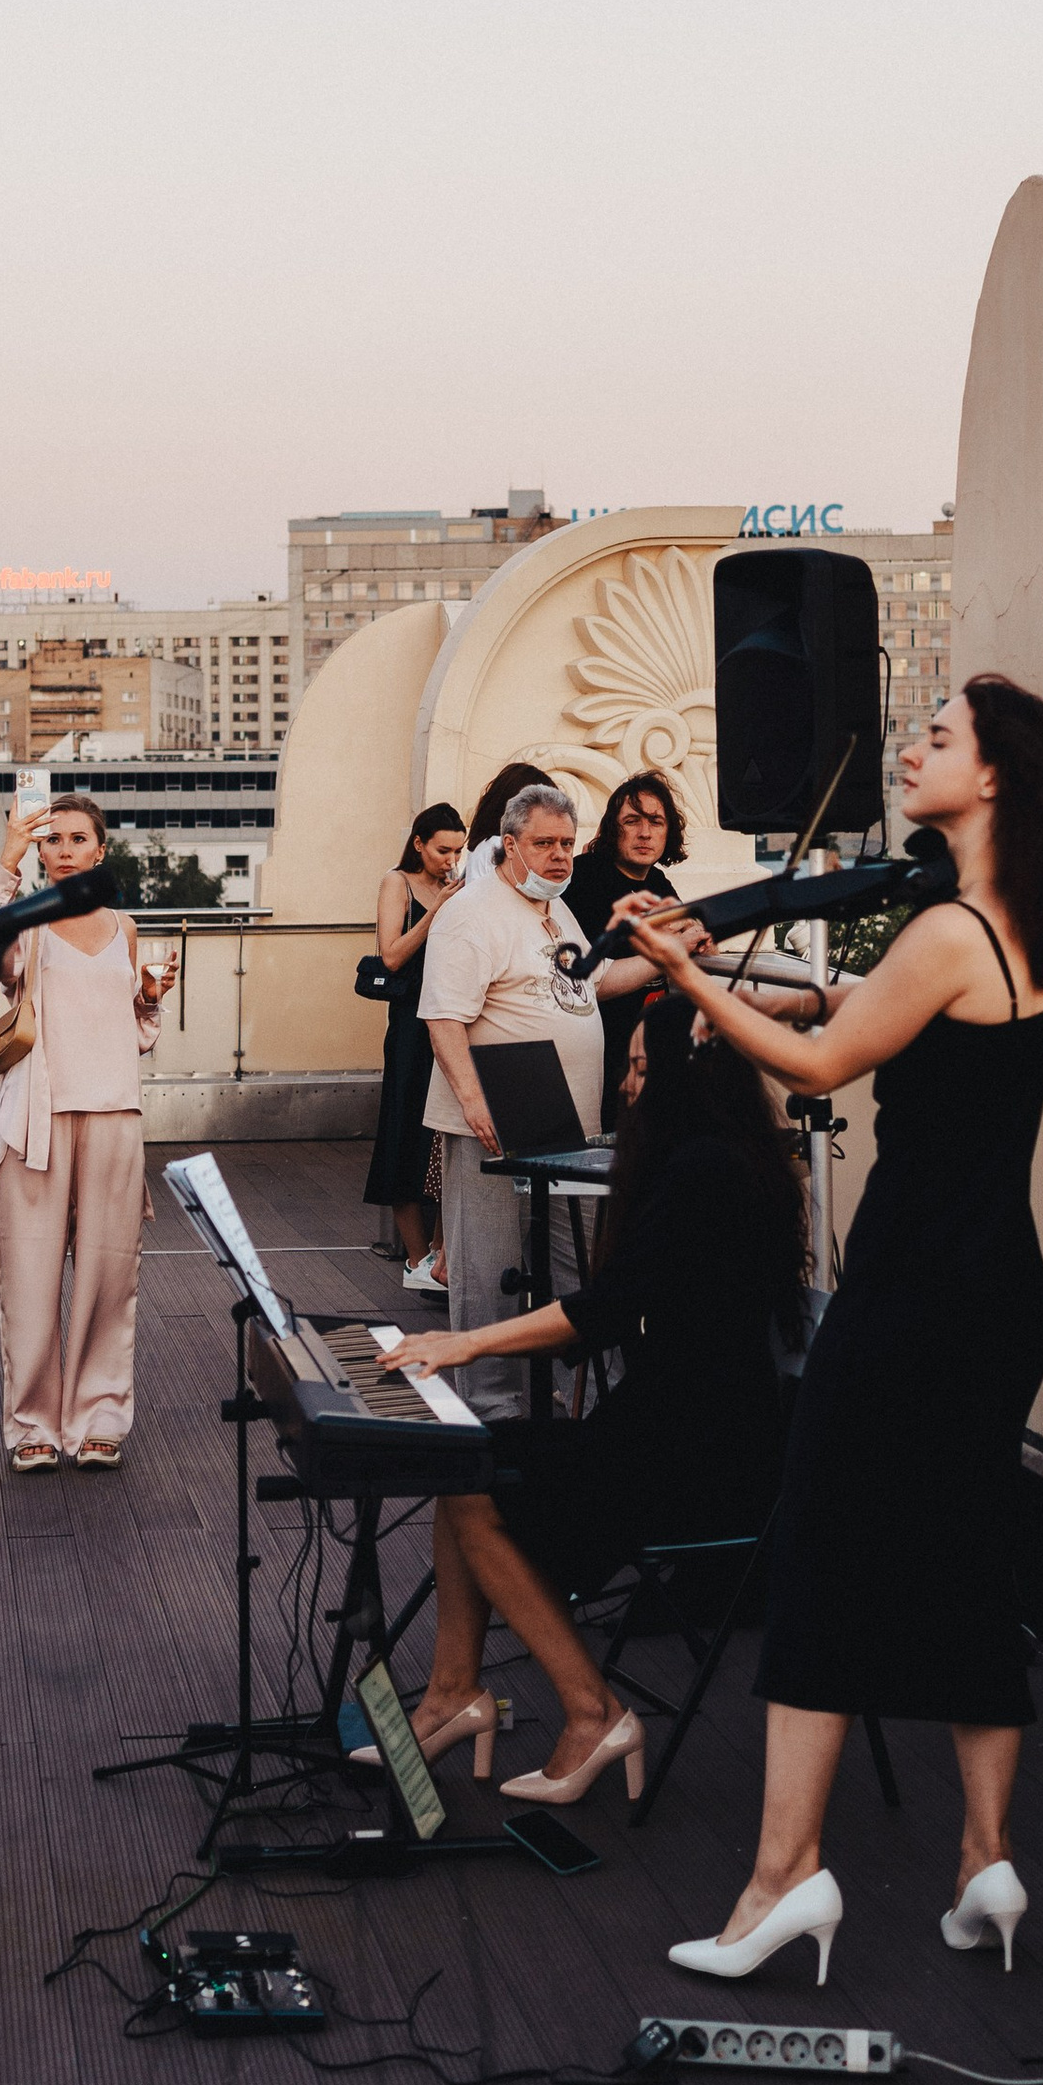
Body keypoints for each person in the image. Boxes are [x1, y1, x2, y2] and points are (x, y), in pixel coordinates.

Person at [619, 672, 1043, 1989]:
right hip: (997, 1292)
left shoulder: (950, 929)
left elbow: (821, 1068)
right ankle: (983, 1862)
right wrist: (774, 989)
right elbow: (874, 1026)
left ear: (999, 775)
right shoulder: (1014, 923)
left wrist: (682, 970)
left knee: (819, 1557)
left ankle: (783, 1879)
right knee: (969, 1561)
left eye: (941, 738)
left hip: (912, 1294)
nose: (913, 748)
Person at [385, 1005, 801, 1799]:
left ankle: (590, 1712)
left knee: (473, 1484)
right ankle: (453, 1695)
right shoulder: (719, 1158)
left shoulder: (705, 1170)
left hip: (703, 1460)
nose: (627, 1083)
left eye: (643, 1068)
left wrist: (464, 1343)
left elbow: (603, 1309)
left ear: (688, 1081)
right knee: (464, 1462)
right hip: (681, 1427)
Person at [418, 783, 647, 1409]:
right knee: (489, 1277)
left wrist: (670, 959)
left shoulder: (558, 911)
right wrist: (473, 1102)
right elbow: (443, 1018)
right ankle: (494, 1417)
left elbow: (594, 986)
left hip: (564, 1133)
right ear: (510, 844)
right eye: (544, 843)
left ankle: (598, 1413)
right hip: (492, 1128)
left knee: (578, 1272)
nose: (560, 857)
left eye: (568, 844)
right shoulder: (473, 912)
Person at [0, 792, 165, 1472]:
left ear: (99, 850)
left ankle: (99, 1416)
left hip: (115, 1111)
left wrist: (149, 997)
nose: (63, 849)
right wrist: (6, 864)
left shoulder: (126, 925)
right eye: (51, 838)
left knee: (109, 1275)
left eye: (77, 838)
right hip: (39, 1117)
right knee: (27, 1275)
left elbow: (138, 1031)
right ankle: (30, 1423)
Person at [361, 803, 465, 1288]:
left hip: (448, 1018)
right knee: (405, 1127)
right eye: (443, 849)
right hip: (408, 1025)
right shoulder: (396, 883)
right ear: (419, 843)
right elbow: (392, 954)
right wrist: (438, 909)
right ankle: (416, 1257)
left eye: (458, 851)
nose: (450, 859)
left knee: (444, 1133)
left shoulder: (457, 884)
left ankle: (442, 1255)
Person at [564, 770, 690, 1126]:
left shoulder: (657, 880)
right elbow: (585, 976)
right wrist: (675, 936)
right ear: (611, 829)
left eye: (655, 821)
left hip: (648, 1048)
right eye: (632, 821)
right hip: (600, 1051)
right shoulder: (584, 877)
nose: (645, 833)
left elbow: (691, 930)